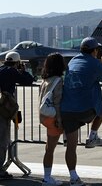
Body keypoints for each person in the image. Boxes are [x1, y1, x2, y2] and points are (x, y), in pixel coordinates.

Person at [60, 37, 102, 186]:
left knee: (71, 146)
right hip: (84, 110)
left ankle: (73, 177)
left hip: (66, 109)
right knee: (101, 108)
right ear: (95, 50)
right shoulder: (95, 63)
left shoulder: (73, 61)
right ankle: (92, 136)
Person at [0, 51, 35, 180]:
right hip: (3, 110)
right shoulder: (11, 71)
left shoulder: (1, 69)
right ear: (17, 62)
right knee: (2, 140)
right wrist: (24, 71)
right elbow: (29, 80)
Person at [38, 53, 66, 186]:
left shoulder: (44, 80)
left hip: (44, 116)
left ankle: (47, 177)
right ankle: (47, 178)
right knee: (50, 149)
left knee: (48, 148)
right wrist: (59, 120)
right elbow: (57, 102)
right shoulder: (58, 80)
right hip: (54, 117)